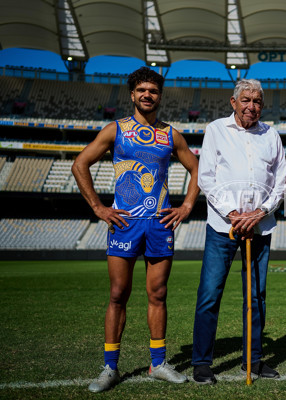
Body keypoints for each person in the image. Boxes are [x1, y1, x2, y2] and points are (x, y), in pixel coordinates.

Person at [72, 66, 199, 393]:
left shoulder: (170, 135)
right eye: (142, 90)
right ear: (132, 94)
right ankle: (110, 368)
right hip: (125, 222)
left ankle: (158, 364)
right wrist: (99, 208)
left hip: (159, 222)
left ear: (160, 96)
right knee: (118, 295)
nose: (147, 95)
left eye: (153, 91)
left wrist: (185, 206)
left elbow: (197, 169)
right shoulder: (116, 130)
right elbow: (79, 163)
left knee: (158, 294)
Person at [192, 79, 286, 384]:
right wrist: (233, 214)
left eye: (257, 101)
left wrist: (259, 213)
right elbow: (206, 177)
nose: (251, 106)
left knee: (256, 297)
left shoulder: (271, 135)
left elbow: (281, 182)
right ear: (233, 102)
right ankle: (202, 363)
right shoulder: (216, 130)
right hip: (224, 227)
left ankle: (255, 360)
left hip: (259, 228)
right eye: (245, 100)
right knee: (209, 295)